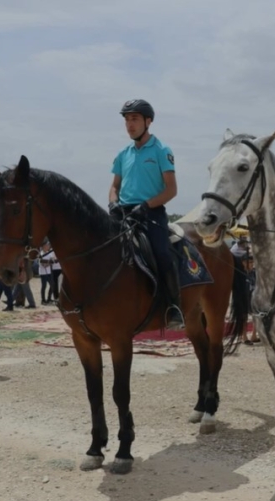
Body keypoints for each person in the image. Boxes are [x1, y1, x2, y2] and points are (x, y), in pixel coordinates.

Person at [108, 99, 184, 329]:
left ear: (148, 121)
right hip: (123, 212)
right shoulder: (123, 154)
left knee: (162, 253)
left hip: (151, 212)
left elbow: (171, 189)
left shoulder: (162, 151)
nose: (129, 125)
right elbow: (115, 187)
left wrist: (146, 206)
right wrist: (113, 203)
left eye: (134, 119)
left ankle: (173, 308)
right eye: (126, 120)